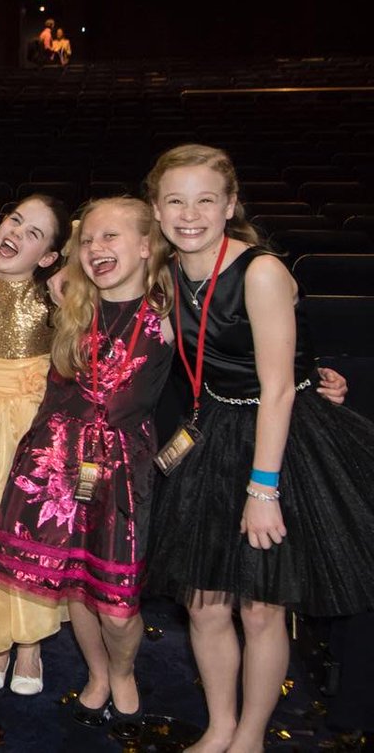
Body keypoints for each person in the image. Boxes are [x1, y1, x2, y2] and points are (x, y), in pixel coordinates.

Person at [143, 144, 374, 753]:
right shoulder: (165, 269)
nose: (189, 214)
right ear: (157, 210)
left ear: (230, 206)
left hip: (282, 437)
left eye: (205, 201)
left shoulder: (261, 271)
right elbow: (88, 254)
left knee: (261, 608)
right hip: (214, 426)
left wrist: (263, 490)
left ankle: (250, 735)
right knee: (205, 604)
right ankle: (220, 723)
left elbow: (278, 390)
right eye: (175, 201)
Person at [0, 197, 174, 740]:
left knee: (116, 603)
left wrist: (312, 373)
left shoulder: (167, 313)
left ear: (147, 246)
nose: (96, 248)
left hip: (124, 472)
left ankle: (123, 671)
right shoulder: (70, 303)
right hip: (56, 465)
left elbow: (233, 340)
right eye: (87, 240)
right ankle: (97, 673)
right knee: (76, 586)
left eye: (111, 236)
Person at [0, 195, 71, 696]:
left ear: (48, 257)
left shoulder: (59, 295)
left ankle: (31, 642)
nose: (16, 234)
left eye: (34, 234)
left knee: (29, 530)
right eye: (15, 220)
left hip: (32, 420)